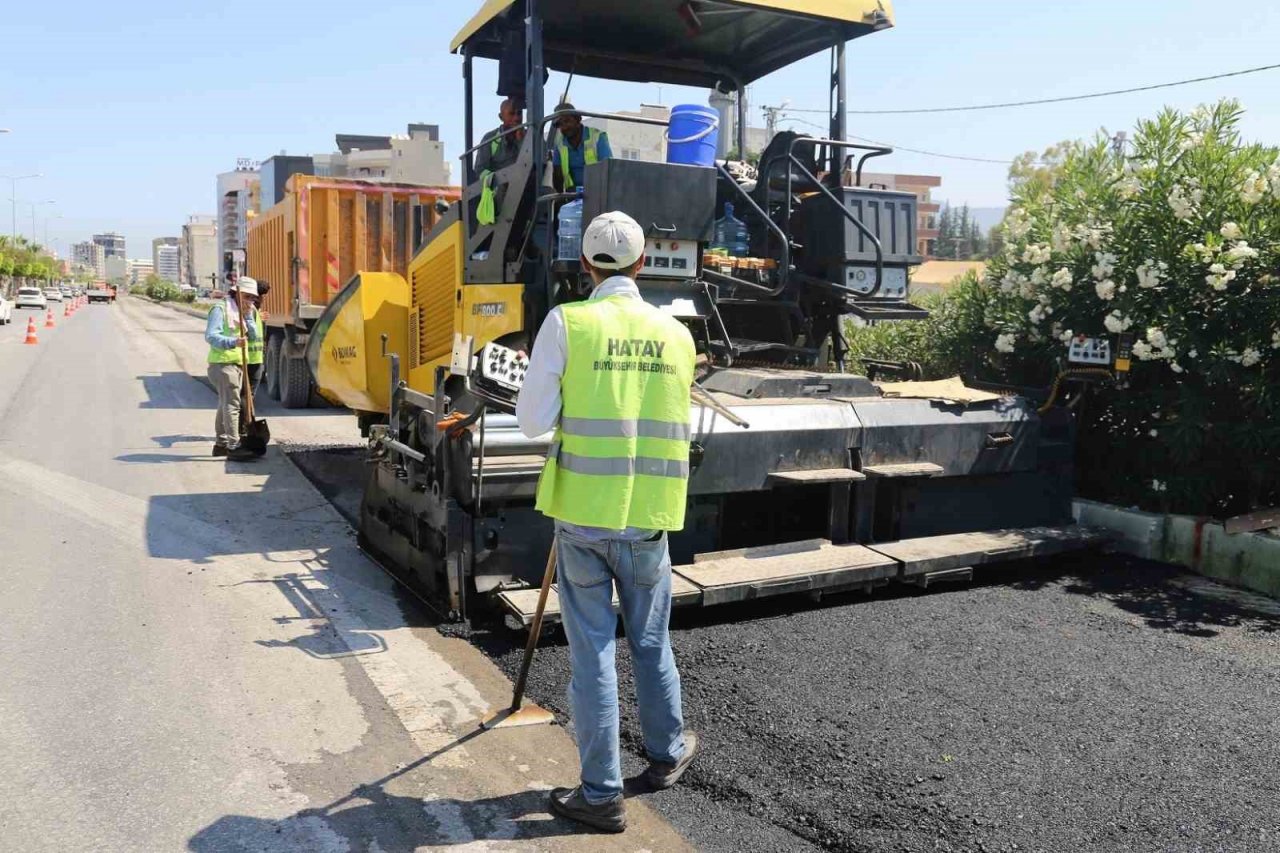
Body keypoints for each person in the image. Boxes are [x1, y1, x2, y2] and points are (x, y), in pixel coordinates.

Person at [516, 212, 699, 833]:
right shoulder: (677, 335)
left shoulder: (567, 322)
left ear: (586, 266)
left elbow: (532, 422)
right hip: (648, 517)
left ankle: (601, 793)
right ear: (643, 264)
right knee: (651, 640)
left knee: (593, 651)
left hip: (584, 519)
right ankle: (667, 753)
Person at [205, 276, 261, 461]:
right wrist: (233, 342)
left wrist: (247, 316)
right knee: (232, 405)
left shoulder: (244, 311)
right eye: (247, 296)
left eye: (253, 298)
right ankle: (233, 446)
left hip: (236, 364)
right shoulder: (220, 309)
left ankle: (220, 445)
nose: (250, 301)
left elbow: (252, 337)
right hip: (222, 364)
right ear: (237, 293)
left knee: (224, 405)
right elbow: (211, 336)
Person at [552, 103, 612, 194]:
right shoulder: (559, 145)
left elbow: (609, 171)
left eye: (567, 121)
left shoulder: (597, 138)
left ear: (578, 119)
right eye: (560, 124)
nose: (564, 127)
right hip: (572, 197)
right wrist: (560, 200)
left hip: (598, 194)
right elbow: (558, 178)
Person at [475, 97, 525, 177]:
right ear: (501, 117)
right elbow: (480, 170)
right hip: (500, 188)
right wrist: (497, 181)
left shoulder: (531, 135)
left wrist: (521, 141)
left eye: (519, 113)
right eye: (511, 114)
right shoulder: (490, 139)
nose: (516, 118)